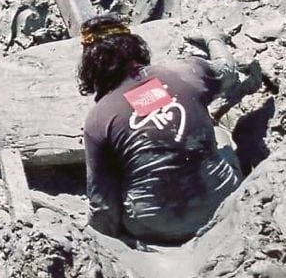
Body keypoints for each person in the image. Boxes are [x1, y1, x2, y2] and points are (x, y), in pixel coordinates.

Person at [78, 14, 243, 246]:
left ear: (91, 67)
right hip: (221, 202)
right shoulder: (185, 71)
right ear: (135, 47)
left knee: (118, 169)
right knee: (220, 133)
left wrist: (103, 239)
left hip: (154, 228)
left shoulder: (98, 119)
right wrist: (212, 38)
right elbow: (228, 71)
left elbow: (103, 207)